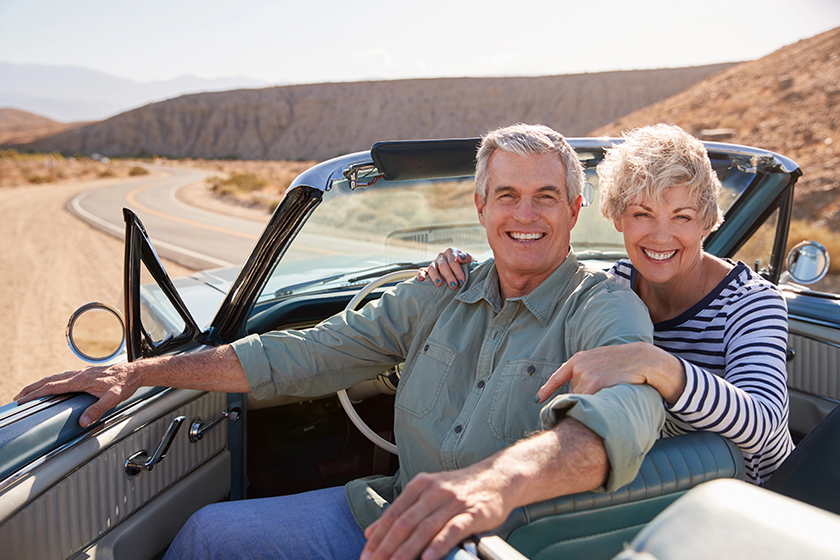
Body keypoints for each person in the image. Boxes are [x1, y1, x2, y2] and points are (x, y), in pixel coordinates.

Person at [15, 124, 664, 560]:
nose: (525, 215)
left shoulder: (602, 306)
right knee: (207, 534)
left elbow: (621, 417)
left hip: (504, 541)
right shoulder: (438, 291)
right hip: (389, 512)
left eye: (545, 197)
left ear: (574, 211)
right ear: (481, 207)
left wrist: (490, 485)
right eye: (508, 196)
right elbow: (307, 353)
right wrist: (141, 372)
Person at [419, 124, 793, 485]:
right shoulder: (615, 286)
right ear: (618, 217)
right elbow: (541, 280)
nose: (661, 236)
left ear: (707, 222)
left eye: (682, 217)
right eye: (642, 214)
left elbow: (763, 424)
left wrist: (657, 366)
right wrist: (462, 269)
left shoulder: (751, 302)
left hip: (751, 496)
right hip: (657, 485)